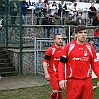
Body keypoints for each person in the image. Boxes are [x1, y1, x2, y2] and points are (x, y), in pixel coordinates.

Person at [58, 25, 99, 99]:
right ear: (75, 34)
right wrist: (61, 79)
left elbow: (95, 65)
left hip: (87, 81)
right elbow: (61, 63)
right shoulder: (68, 47)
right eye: (80, 32)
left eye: (85, 32)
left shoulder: (90, 48)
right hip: (73, 81)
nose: (83, 34)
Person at [43, 34, 63, 99]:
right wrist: (46, 73)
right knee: (55, 90)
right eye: (58, 39)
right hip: (53, 74)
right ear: (54, 40)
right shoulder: (51, 50)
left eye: (61, 39)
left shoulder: (64, 50)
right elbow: (45, 62)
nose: (60, 40)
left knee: (60, 91)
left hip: (61, 74)